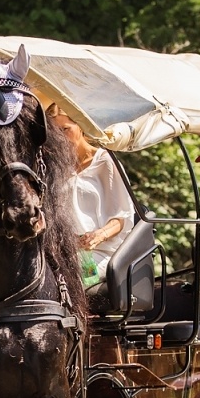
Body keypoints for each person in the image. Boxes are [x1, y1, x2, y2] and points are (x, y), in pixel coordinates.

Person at [48, 104, 133, 287]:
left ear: (81, 127)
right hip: (66, 252)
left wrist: (98, 236)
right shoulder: (54, 168)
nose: (61, 138)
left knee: (68, 277)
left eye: (65, 129)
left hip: (102, 253)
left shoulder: (105, 161)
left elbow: (122, 217)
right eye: (55, 133)